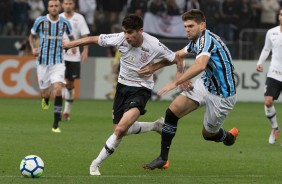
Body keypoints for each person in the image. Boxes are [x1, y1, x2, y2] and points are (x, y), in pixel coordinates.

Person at [62, 14, 184, 176]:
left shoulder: (154, 44)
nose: (126, 36)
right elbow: (92, 39)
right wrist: (70, 44)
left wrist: (161, 70)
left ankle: (95, 164)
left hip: (141, 90)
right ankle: (155, 126)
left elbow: (177, 58)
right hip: (122, 89)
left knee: (119, 130)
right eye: (125, 32)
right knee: (123, 130)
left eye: (130, 33)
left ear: (140, 31)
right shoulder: (119, 38)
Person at [138, 9, 239, 170]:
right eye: (185, 26)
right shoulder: (196, 40)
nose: (187, 29)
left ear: (202, 25)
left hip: (222, 95)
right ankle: (163, 159)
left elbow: (200, 65)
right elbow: (177, 55)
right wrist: (153, 67)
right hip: (206, 84)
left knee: (208, 134)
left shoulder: (206, 40)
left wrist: (175, 82)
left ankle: (228, 137)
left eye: (191, 26)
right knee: (172, 113)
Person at [29, 0, 73, 133]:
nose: (54, 8)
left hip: (58, 62)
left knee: (58, 89)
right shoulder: (40, 21)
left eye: (56, 6)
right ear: (48, 8)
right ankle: (46, 99)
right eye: (51, 6)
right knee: (45, 93)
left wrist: (70, 45)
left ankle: (55, 124)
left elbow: (70, 38)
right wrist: (33, 49)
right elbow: (31, 37)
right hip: (43, 62)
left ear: (59, 8)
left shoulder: (65, 23)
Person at [60, 0, 90, 121]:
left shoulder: (79, 18)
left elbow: (85, 36)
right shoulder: (59, 18)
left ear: (74, 5)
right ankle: (61, 108)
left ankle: (67, 111)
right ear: (62, 5)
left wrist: (85, 50)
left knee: (70, 84)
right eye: (66, 3)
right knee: (60, 81)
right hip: (59, 54)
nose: (68, 6)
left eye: (70, 3)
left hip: (74, 55)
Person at [256, 8, 282, 144]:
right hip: (274, 73)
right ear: (279, 17)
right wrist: (260, 62)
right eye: (281, 14)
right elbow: (267, 49)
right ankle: (275, 128)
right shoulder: (271, 32)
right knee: (268, 101)